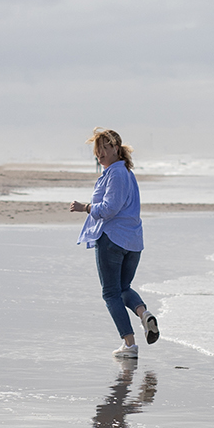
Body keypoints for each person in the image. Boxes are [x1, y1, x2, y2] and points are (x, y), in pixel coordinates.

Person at [70, 127, 160, 360]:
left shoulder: (117, 174)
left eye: (104, 148)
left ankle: (129, 345)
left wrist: (85, 208)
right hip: (132, 241)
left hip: (113, 240)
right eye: (96, 149)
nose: (99, 154)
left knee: (110, 293)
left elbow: (110, 209)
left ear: (116, 149)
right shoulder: (125, 173)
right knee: (122, 289)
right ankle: (144, 315)